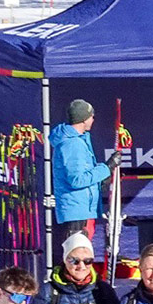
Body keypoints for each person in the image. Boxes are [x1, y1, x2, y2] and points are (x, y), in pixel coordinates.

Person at [50, 98, 109, 237]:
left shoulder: (78, 140)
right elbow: (77, 179)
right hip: (75, 210)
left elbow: (83, 172)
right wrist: (106, 168)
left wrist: (100, 180)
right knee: (76, 254)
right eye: (91, 116)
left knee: (82, 251)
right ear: (83, 119)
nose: (93, 119)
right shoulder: (72, 144)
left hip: (80, 207)